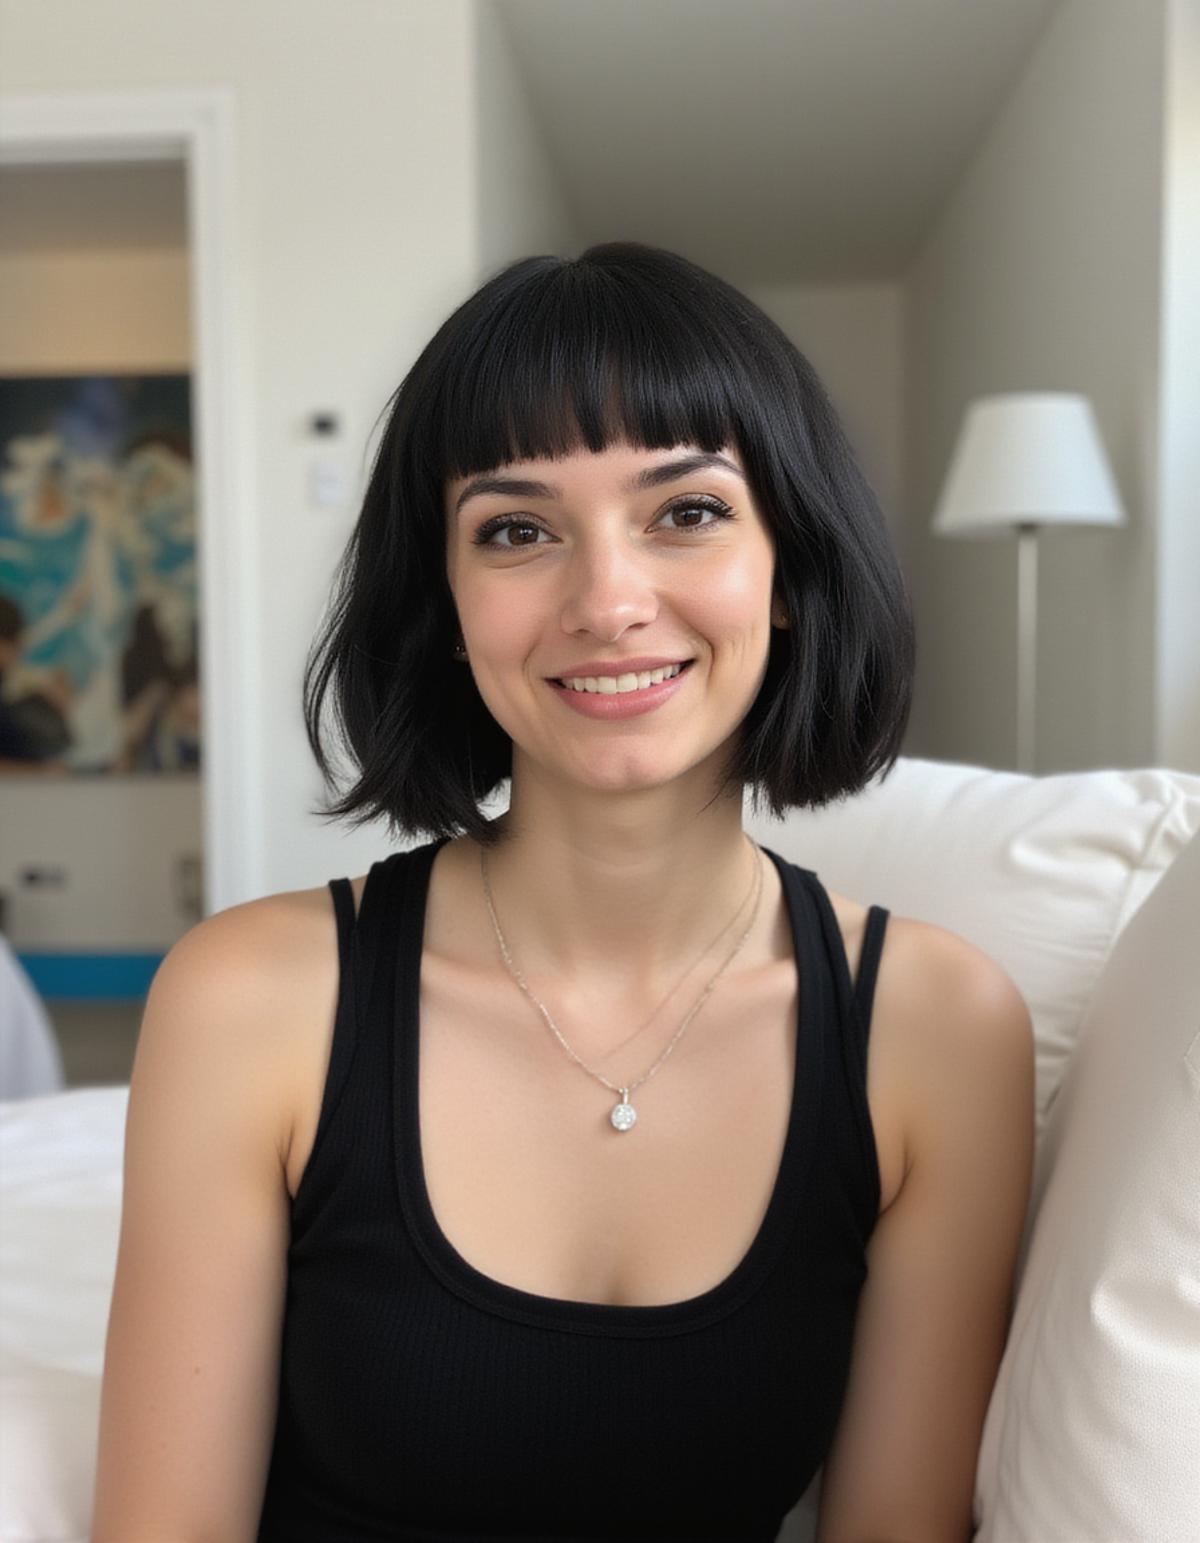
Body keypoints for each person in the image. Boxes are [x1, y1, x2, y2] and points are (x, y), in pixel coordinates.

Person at [91, 241, 1035, 1542]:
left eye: (687, 511)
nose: (608, 600)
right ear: (446, 599)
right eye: (517, 530)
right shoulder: (251, 1001)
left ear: (792, 570)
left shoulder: (938, 1032)